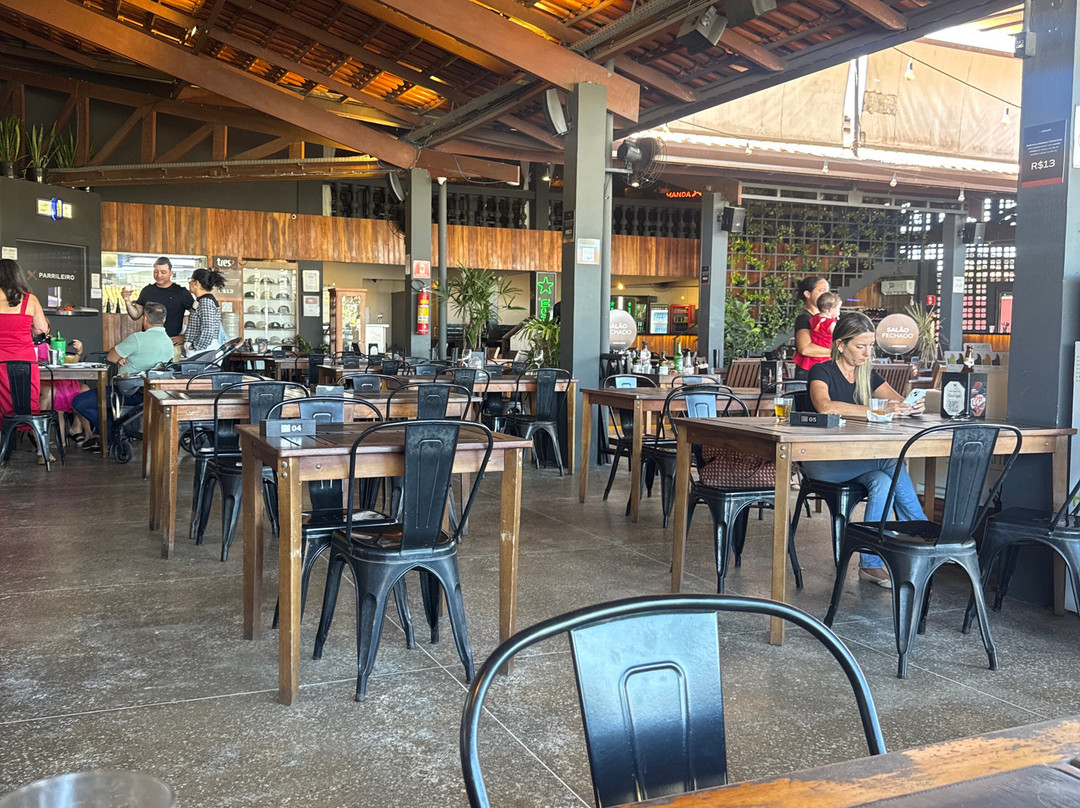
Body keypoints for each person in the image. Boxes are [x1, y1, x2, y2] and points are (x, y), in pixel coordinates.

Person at [800, 312, 927, 589]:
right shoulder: (821, 371)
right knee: (890, 461)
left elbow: (897, 401)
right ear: (841, 344)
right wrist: (876, 410)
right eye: (860, 346)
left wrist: (910, 407)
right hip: (822, 461)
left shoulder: (867, 374)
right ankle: (921, 531)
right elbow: (825, 406)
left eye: (870, 346)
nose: (867, 353)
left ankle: (869, 564)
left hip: (856, 460)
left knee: (883, 481)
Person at [73, 301, 174, 448]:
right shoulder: (169, 342)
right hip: (154, 394)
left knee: (79, 402)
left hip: (128, 392)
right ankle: (106, 434)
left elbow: (111, 357)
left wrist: (122, 356)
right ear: (164, 319)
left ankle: (111, 433)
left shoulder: (138, 339)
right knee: (102, 404)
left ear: (145, 318)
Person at [0, 259, 51, 462]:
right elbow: (41, 329)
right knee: (29, 403)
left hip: (0, 362)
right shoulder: (30, 300)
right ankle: (41, 451)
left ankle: (3, 449)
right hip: (25, 361)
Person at [121, 257, 194, 355]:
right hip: (148, 342)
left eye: (163, 272)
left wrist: (185, 336)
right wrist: (127, 300)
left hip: (171, 343)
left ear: (171, 273)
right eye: (156, 271)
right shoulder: (147, 291)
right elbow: (136, 315)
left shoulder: (181, 292)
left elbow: (196, 316)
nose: (159, 275)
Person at [36, 337, 92, 445]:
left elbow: (70, 365)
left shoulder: (54, 343)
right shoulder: (31, 345)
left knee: (84, 392)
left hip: (62, 380)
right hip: (46, 381)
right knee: (59, 395)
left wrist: (79, 353)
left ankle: (81, 429)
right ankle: (61, 441)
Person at [792, 275, 831, 380]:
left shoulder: (829, 318)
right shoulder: (804, 319)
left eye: (828, 291)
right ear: (807, 294)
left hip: (826, 370)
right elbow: (805, 349)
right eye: (822, 291)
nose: (827, 295)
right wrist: (836, 351)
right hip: (809, 373)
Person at [184, 268, 226, 355]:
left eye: (191, 280)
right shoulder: (201, 300)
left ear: (197, 283)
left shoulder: (205, 302)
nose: (189, 282)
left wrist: (195, 346)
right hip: (202, 350)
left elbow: (208, 329)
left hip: (203, 351)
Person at [807, 291, 841, 359]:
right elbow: (839, 336)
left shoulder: (815, 318)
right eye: (838, 308)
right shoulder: (831, 324)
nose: (839, 311)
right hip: (826, 354)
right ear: (831, 309)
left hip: (815, 353)